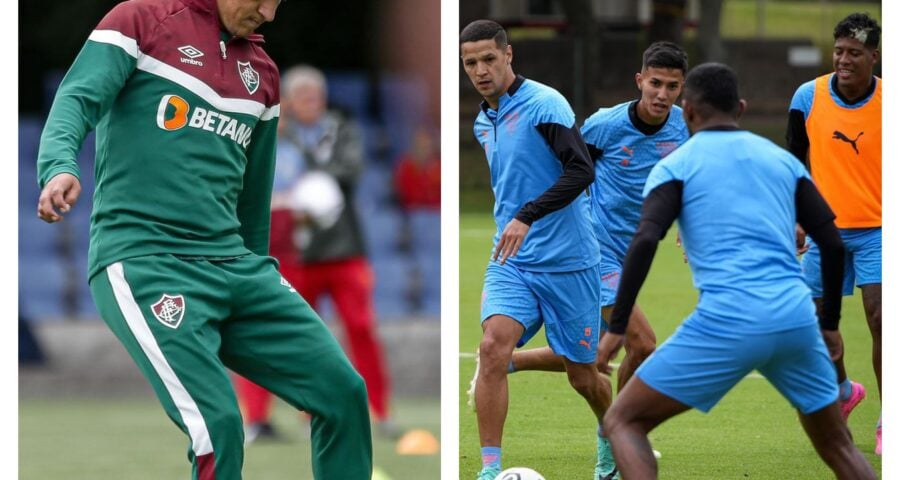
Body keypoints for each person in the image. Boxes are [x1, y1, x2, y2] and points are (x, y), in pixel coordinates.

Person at [35, 1, 372, 478]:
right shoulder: (141, 20)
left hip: (237, 264)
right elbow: (77, 98)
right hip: (146, 259)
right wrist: (59, 165)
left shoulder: (264, 74)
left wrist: (259, 282)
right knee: (219, 426)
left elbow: (253, 197)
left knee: (342, 392)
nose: (269, 14)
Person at [596, 62, 876, 479]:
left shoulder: (675, 166)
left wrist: (617, 327)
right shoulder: (782, 162)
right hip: (796, 319)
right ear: (741, 108)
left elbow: (645, 240)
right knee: (838, 445)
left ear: (686, 110)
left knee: (622, 421)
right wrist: (830, 325)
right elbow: (832, 243)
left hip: (729, 320)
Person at [461, 19, 616, 480]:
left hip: (571, 263)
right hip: (513, 261)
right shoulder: (482, 121)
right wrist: (517, 222)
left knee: (583, 376)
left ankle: (610, 439)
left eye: (489, 58)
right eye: (471, 63)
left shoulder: (545, 104)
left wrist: (527, 215)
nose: (481, 70)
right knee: (492, 350)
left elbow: (581, 170)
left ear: (509, 56)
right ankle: (490, 471)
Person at [490, 41, 689, 398]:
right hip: (594, 250)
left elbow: (690, 178)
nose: (662, 94)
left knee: (589, 353)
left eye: (672, 86)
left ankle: (506, 361)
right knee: (642, 344)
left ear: (682, 88)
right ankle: (620, 431)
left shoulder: (683, 127)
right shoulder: (605, 125)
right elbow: (573, 171)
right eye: (655, 83)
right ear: (639, 80)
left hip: (633, 253)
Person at [234, 64, 399, 441]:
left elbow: (349, 172)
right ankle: (259, 418)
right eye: (304, 98)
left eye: (317, 97)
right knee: (273, 332)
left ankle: (378, 411)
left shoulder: (340, 129)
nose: (313, 104)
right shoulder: (269, 134)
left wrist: (310, 175)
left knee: (361, 328)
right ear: (289, 102)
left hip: (343, 249)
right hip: (292, 253)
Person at [786, 12, 881, 454]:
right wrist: (797, 216)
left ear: (874, 57)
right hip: (826, 231)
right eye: (839, 51)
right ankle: (844, 391)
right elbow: (793, 166)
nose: (843, 60)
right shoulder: (808, 97)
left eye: (854, 53)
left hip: (881, 230)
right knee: (815, 327)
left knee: (882, 320)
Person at [393, 126, 441, 212]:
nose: (424, 150)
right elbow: (407, 196)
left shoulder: (438, 167)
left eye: (427, 146)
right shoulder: (405, 167)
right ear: (414, 147)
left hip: (436, 212)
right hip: (413, 214)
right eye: (421, 146)